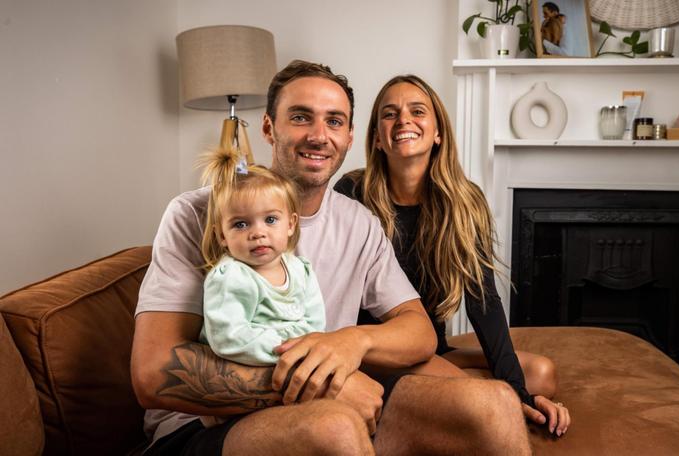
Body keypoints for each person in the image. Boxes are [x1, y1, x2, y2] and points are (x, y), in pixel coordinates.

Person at [131, 60, 532, 455]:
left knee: (492, 404)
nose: (319, 136)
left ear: (351, 135)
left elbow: (419, 332)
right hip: (202, 426)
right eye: (302, 117)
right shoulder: (197, 213)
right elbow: (152, 374)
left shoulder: (358, 222)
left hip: (338, 400)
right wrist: (329, 388)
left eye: (335, 121)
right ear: (269, 128)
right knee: (334, 427)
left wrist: (352, 341)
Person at [334, 74, 571, 436]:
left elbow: (484, 302)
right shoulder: (352, 191)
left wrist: (519, 391)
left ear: (438, 131)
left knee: (542, 373)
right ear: (377, 139)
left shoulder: (464, 201)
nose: (403, 121)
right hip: (375, 349)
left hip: (430, 348)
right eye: (389, 114)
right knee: (478, 397)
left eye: (417, 111)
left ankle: (435, 392)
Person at [195, 147, 325, 426]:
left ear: (290, 224)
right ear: (223, 236)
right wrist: (290, 349)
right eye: (241, 224)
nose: (258, 232)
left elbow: (316, 326)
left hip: (290, 370)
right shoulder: (231, 277)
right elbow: (228, 337)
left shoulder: (300, 270)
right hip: (238, 390)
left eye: (270, 220)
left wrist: (307, 349)